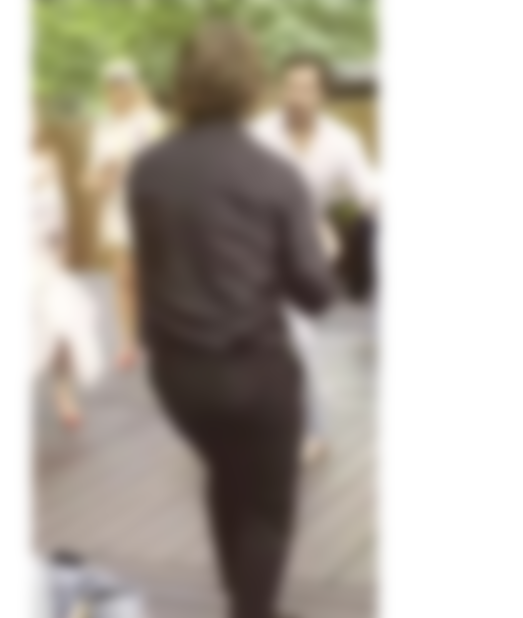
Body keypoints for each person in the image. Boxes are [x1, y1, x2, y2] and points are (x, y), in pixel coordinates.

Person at [128, 24, 337, 618]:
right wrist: (325, 246)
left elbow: (149, 270)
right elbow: (315, 295)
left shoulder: (148, 169)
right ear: (252, 84)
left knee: (226, 472)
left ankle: (242, 601)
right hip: (256, 376)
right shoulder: (275, 174)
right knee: (266, 510)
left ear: (184, 82)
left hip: (178, 379)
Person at [250, 52, 379, 464]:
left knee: (301, 338)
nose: (296, 96)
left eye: (306, 88)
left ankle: (312, 429)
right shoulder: (257, 134)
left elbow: (368, 190)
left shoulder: (342, 141)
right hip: (252, 248)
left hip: (306, 251)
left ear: (323, 94)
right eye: (290, 87)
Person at [86, 59, 165, 371]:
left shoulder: (151, 120)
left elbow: (163, 161)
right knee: (124, 278)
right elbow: (92, 177)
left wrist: (131, 165)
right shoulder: (103, 125)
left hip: (152, 210)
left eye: (124, 84)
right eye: (113, 85)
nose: (118, 91)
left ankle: (157, 336)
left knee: (153, 278)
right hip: (118, 212)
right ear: (106, 89)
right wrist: (101, 180)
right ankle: (128, 343)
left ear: (134, 86)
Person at [31, 122, 103, 431]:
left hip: (45, 259)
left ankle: (64, 393)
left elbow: (57, 205)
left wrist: (63, 242)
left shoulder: (48, 159)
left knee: (64, 326)